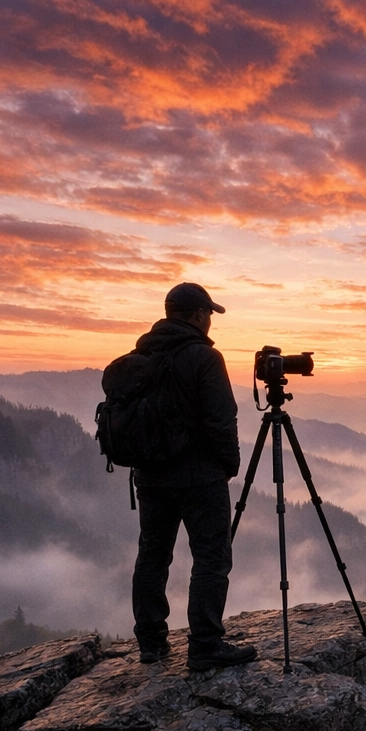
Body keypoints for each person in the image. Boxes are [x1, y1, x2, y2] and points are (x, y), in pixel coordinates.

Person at [129, 282, 257, 670]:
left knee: (152, 555)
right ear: (200, 316)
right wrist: (229, 465)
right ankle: (204, 645)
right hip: (200, 477)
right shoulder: (203, 357)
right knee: (211, 558)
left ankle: (150, 643)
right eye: (209, 316)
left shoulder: (141, 354)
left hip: (150, 476)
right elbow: (222, 417)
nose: (210, 323)